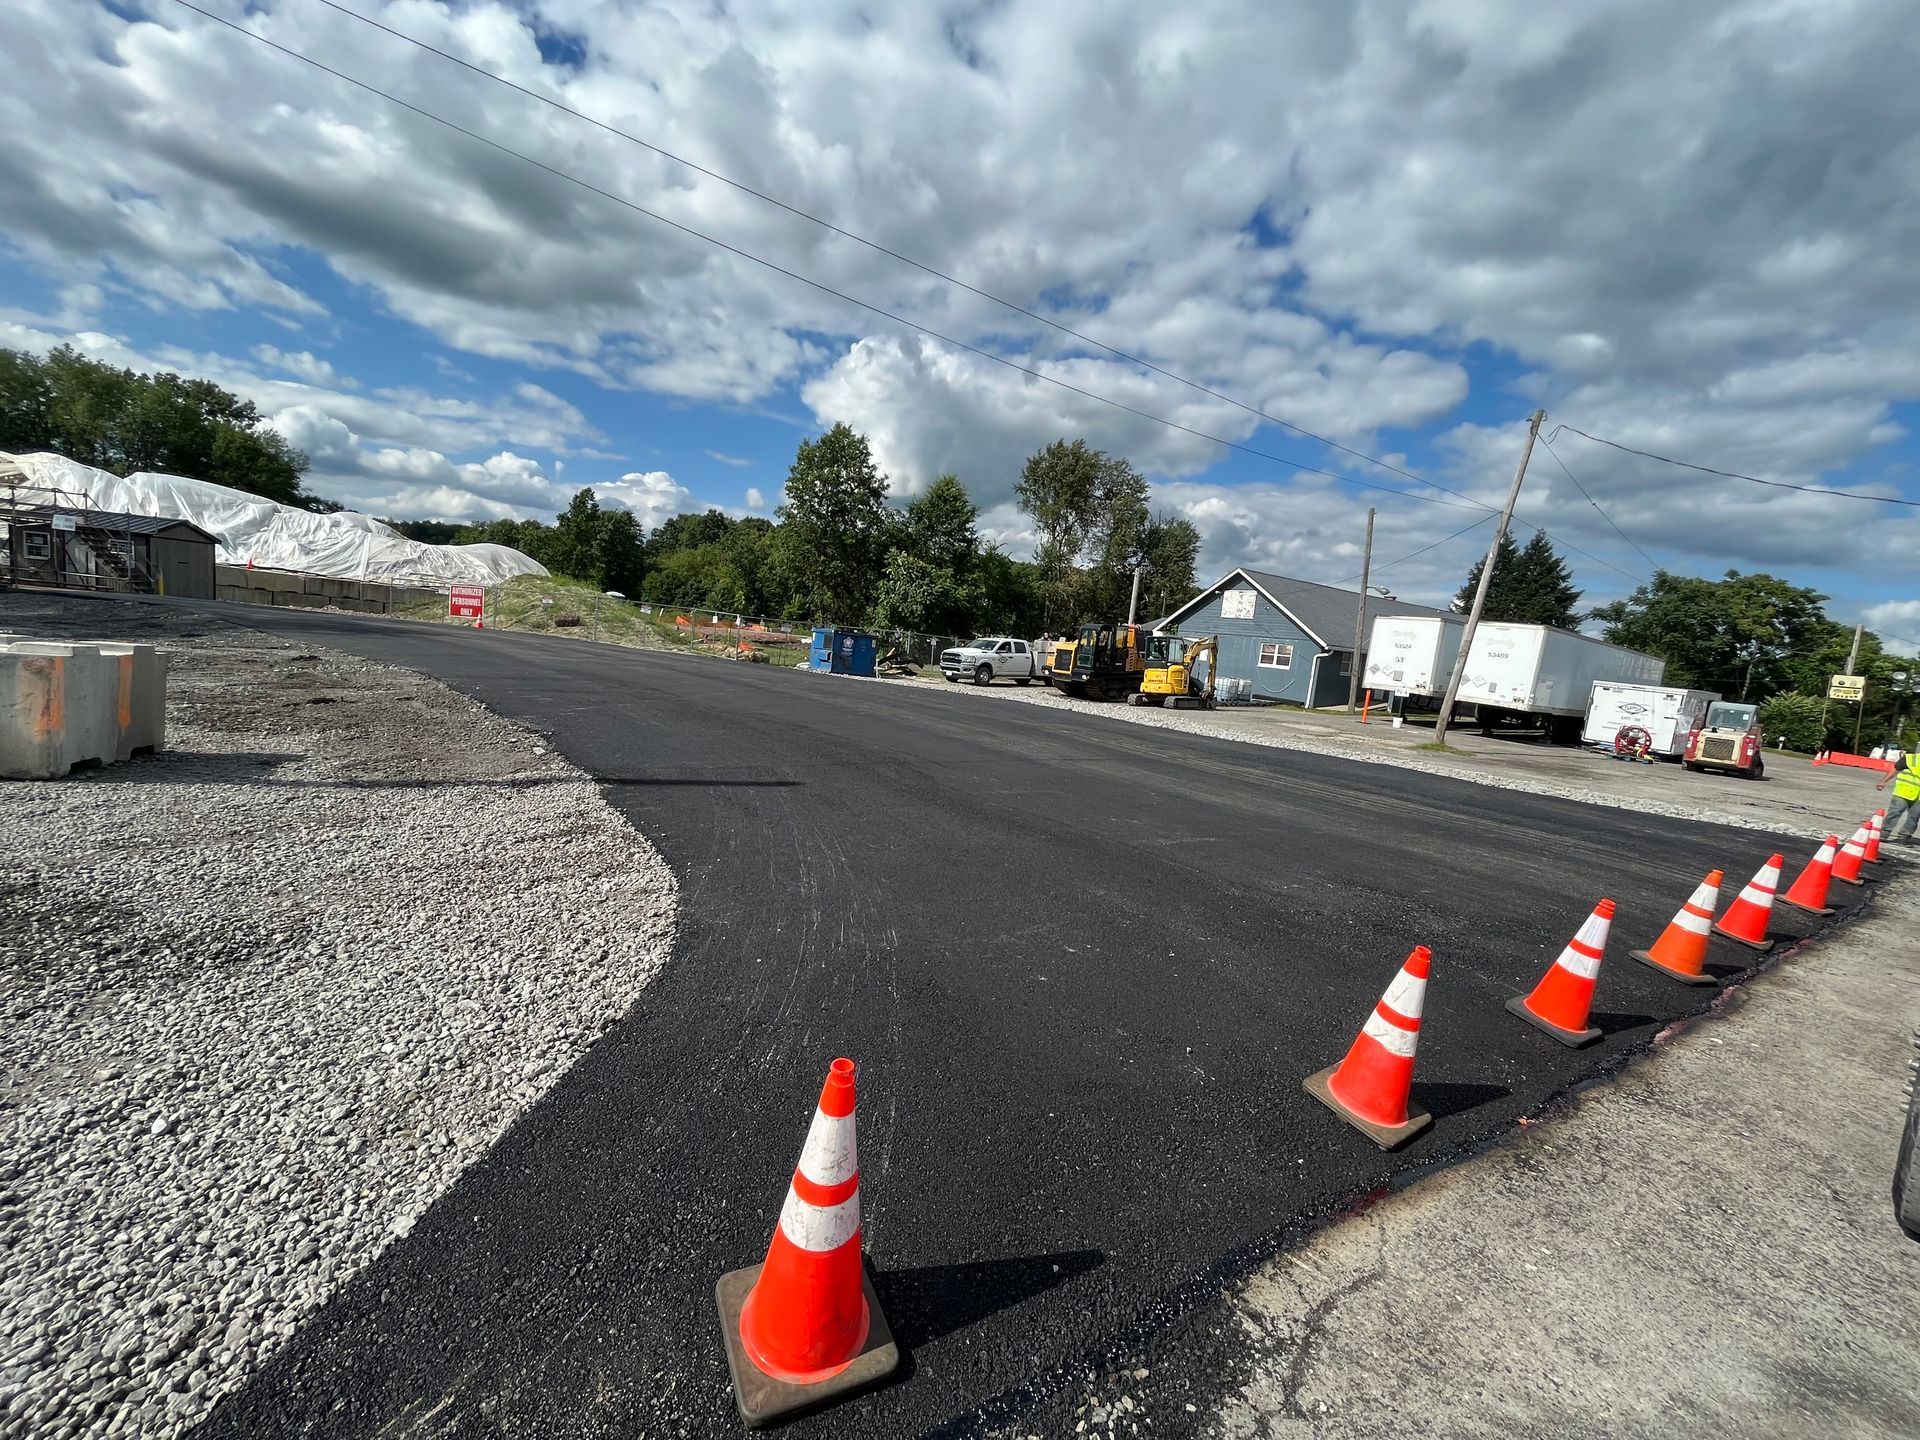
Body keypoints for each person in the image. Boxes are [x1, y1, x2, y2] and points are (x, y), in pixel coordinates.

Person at [1877, 746, 1920, 844]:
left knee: (1914, 817)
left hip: (1918, 797)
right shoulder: (1911, 758)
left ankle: (1904, 836)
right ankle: (1884, 832)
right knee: (1895, 812)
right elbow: (1896, 769)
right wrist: (1883, 781)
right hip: (1903, 792)